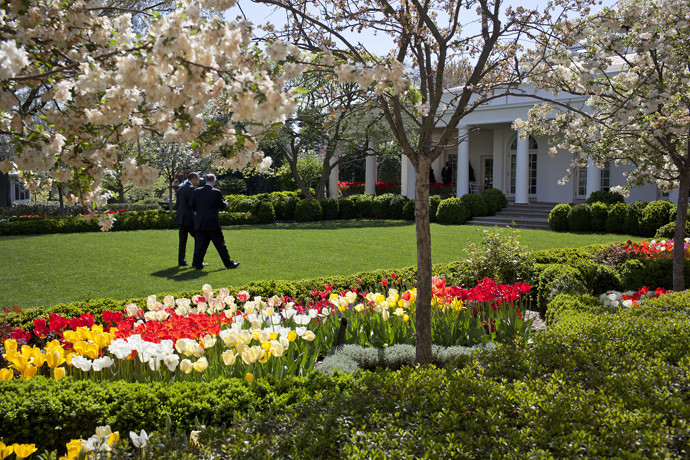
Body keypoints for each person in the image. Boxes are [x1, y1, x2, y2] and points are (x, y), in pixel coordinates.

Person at [190, 173, 240, 270]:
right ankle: (229, 264)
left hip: (200, 222)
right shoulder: (216, 192)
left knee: (200, 245)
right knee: (220, 244)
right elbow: (221, 205)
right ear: (214, 181)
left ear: (205, 180)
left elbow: (192, 205)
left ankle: (197, 264)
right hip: (212, 223)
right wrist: (225, 203)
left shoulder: (197, 191)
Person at [175, 172, 198, 267]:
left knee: (182, 241)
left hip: (181, 218)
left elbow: (177, 205)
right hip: (189, 218)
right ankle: (197, 261)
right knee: (199, 238)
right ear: (193, 179)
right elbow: (192, 204)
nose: (198, 181)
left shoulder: (180, 188)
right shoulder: (191, 188)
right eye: (197, 179)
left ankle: (182, 261)